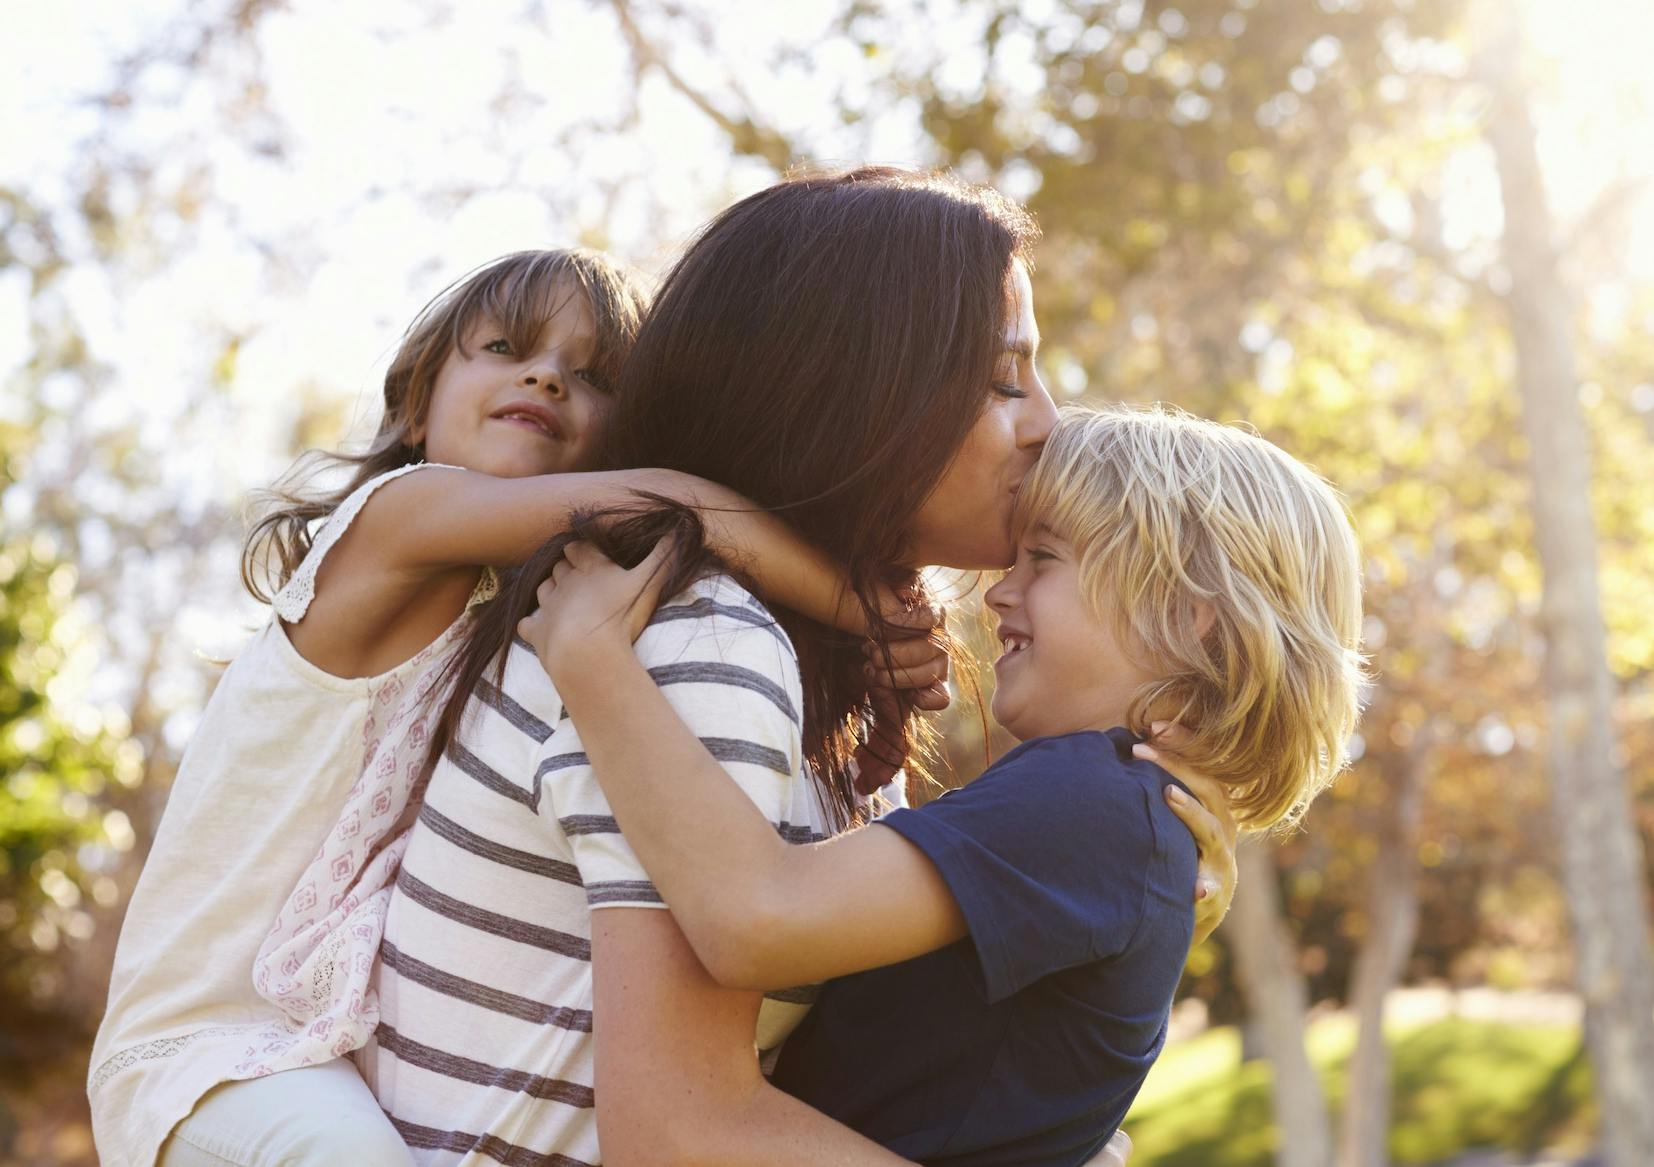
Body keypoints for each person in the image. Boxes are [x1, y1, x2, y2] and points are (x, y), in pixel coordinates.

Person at [366, 168, 1239, 1166]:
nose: (1047, 420)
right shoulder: (700, 645)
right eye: (1003, 380)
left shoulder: (790, 663)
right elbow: (681, 1134)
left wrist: (1112, 903)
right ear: (854, 394)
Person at [86, 248, 926, 1167]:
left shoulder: (520, 609)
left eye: (593, 376)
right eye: (504, 346)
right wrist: (869, 617)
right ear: (414, 403)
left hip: (322, 1041)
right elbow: (683, 507)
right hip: (207, 1053)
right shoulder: (392, 521)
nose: (546, 377)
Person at [526, 403, 1365, 1165]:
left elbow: (756, 916)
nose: (1001, 590)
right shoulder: (1124, 822)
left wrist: (592, 658)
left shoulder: (1093, 800)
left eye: (1043, 558)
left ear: (1187, 615)